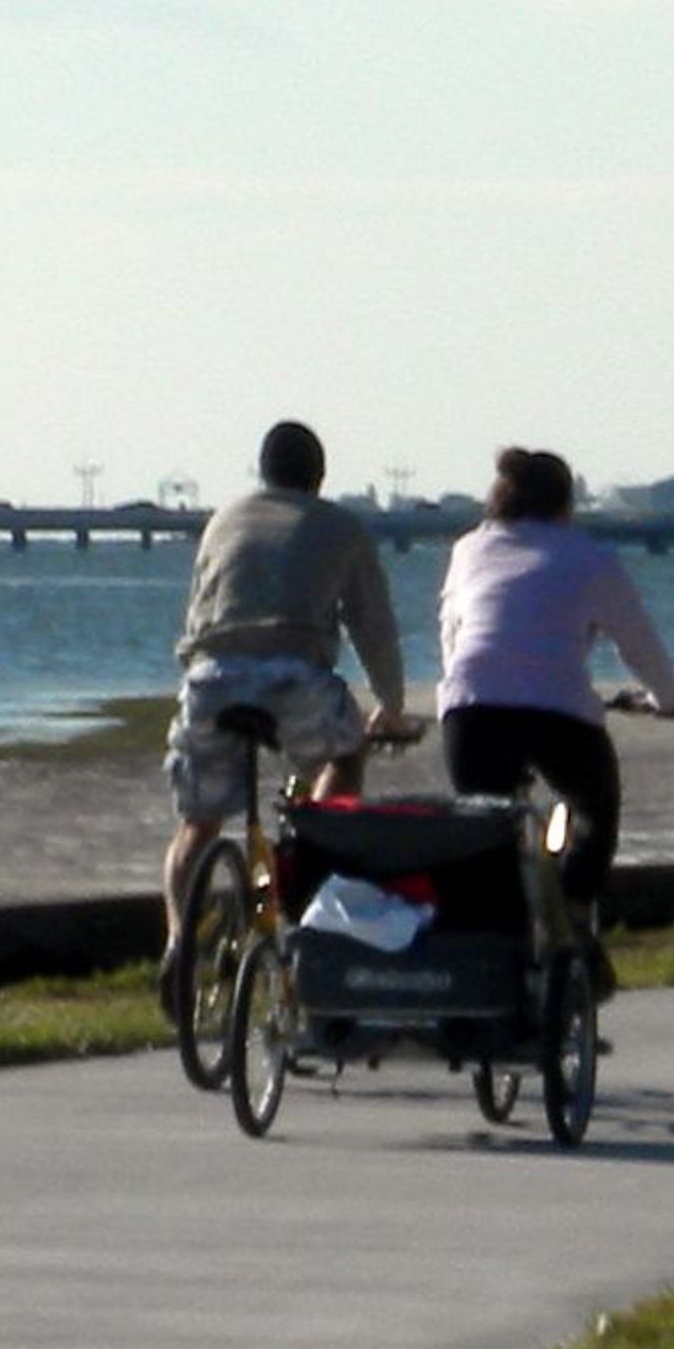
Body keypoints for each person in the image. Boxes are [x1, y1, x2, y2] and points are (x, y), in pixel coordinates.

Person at [160, 421, 416, 994]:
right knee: (346, 753)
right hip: (293, 675)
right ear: (318, 478)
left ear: (263, 472)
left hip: (211, 676)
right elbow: (372, 626)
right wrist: (392, 707)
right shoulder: (340, 526)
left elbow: (200, 611)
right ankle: (312, 859)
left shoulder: (222, 521)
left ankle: (180, 941)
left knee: (196, 824)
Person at [435, 447, 674, 987]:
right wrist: (667, 699)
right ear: (565, 504)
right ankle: (572, 915)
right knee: (595, 811)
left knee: (488, 829)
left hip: (471, 706)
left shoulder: (469, 549)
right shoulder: (591, 556)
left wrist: (460, 694)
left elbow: (452, 636)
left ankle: (493, 955)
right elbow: (638, 643)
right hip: (557, 709)